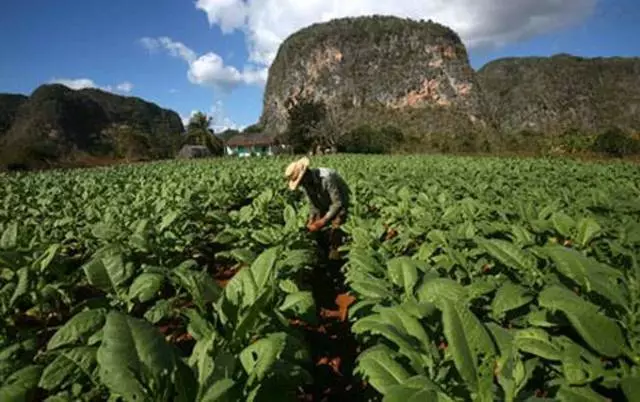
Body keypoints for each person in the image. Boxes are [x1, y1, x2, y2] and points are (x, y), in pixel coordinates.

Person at [285, 157, 350, 258]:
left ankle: (335, 257)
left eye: (301, 181)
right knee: (317, 228)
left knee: (336, 227)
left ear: (306, 173)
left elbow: (337, 203)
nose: (301, 185)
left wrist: (322, 221)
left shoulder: (326, 177)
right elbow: (313, 204)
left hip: (341, 200)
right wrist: (311, 220)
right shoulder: (306, 184)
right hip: (324, 200)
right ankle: (321, 254)